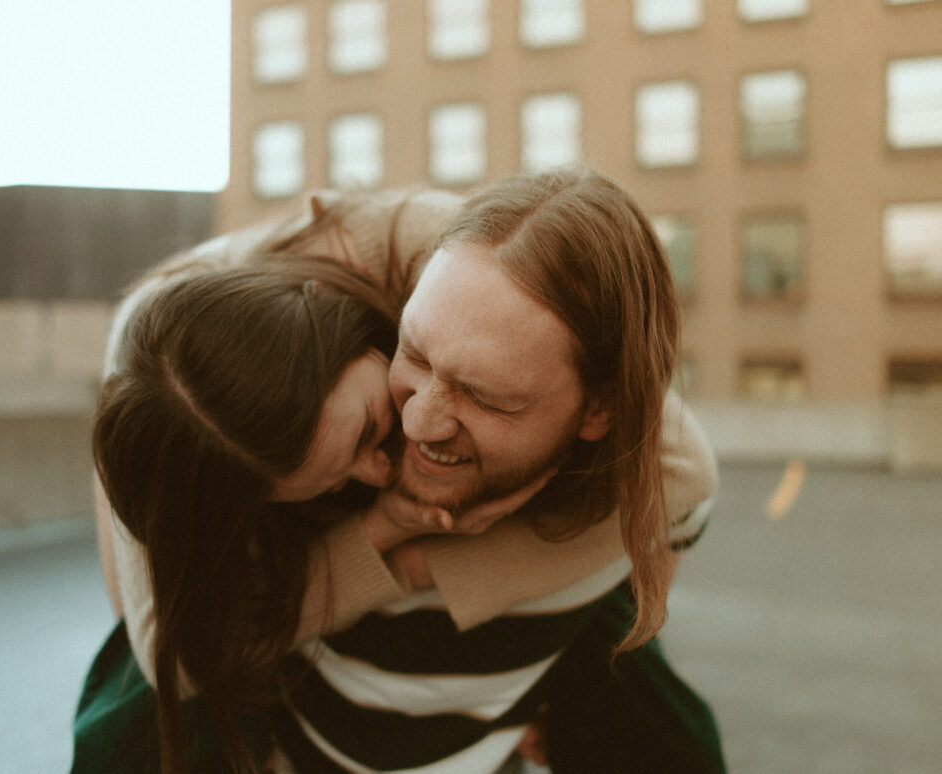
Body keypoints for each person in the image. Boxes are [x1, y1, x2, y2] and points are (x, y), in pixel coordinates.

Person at [76, 171, 722, 773]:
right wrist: (388, 551)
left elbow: (684, 478)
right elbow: (174, 650)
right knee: (138, 727)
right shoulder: (164, 415)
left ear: (358, 325)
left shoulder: (468, 262)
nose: (411, 430)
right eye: (413, 355)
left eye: (487, 395)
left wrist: (461, 565)